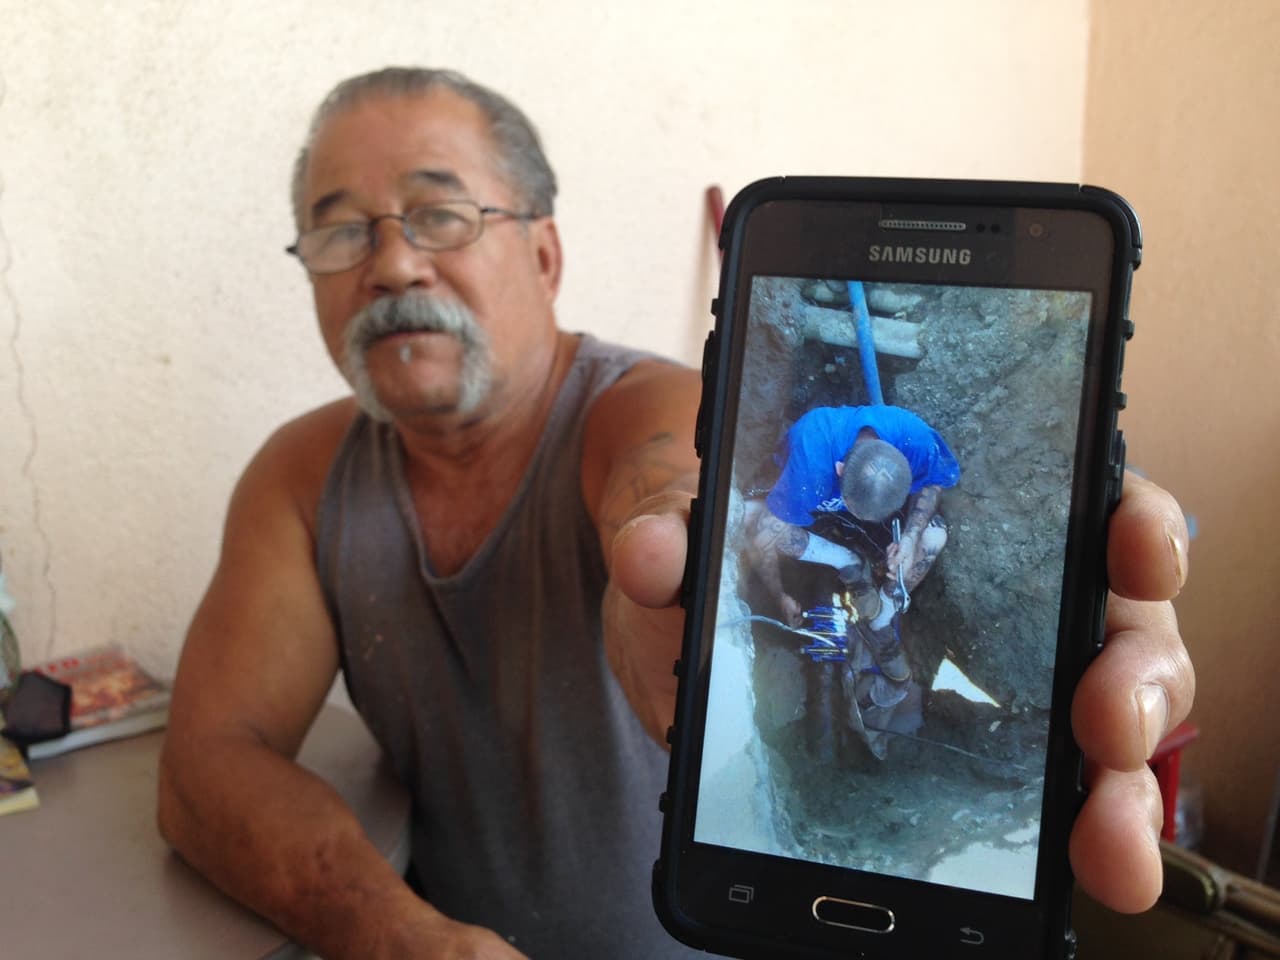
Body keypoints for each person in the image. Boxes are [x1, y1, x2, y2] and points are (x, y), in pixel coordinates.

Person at [157, 67, 1196, 959]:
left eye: (439, 213)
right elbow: (206, 766)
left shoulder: (645, 408)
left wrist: (682, 541)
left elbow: (665, 478)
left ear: (544, 254)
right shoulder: (301, 476)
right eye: (340, 230)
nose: (389, 262)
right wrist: (405, 939)